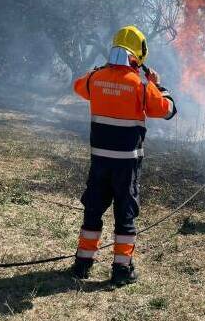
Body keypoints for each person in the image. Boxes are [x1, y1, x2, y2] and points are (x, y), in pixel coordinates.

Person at [71, 25, 177, 286]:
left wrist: (100, 70)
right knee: (125, 214)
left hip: (99, 161)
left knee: (93, 210)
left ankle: (83, 263)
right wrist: (157, 84)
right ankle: (121, 269)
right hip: (126, 163)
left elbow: (78, 86)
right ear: (138, 54)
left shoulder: (96, 78)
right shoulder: (141, 84)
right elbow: (168, 110)